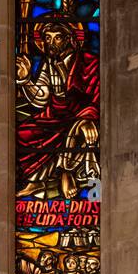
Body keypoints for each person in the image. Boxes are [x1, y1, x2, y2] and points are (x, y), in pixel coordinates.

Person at [17, 14, 99, 198]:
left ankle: (66, 171)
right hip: (54, 114)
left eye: (57, 37)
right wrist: (25, 80)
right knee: (22, 133)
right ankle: (35, 182)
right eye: (47, 38)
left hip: (79, 113)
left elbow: (97, 95)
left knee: (77, 131)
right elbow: (41, 97)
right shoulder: (49, 63)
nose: (51, 42)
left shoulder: (89, 61)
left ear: (69, 38)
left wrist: (88, 117)